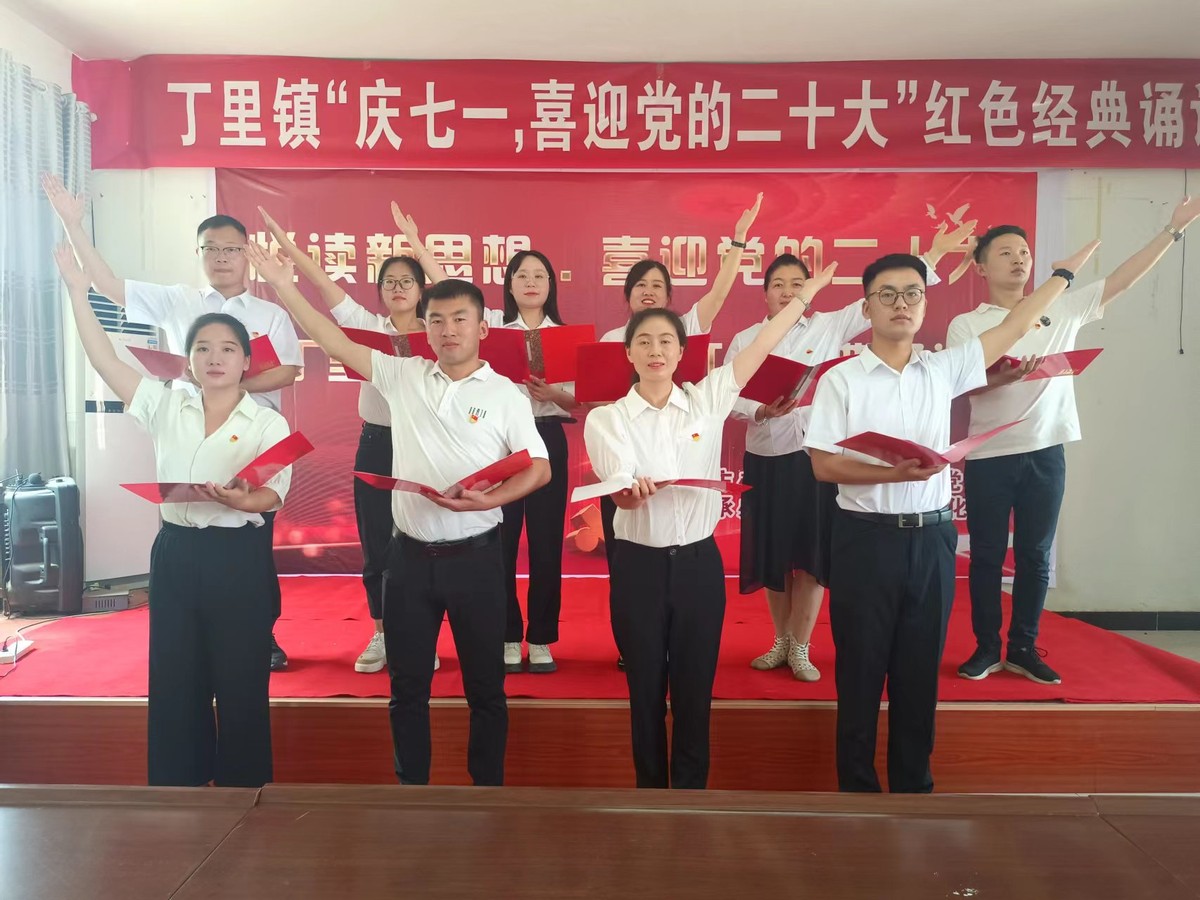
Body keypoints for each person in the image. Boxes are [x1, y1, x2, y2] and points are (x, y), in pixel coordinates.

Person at [248, 239, 550, 787]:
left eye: (460, 319)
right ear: (424, 330)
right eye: (437, 321)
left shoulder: (505, 394)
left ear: (483, 328)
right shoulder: (402, 374)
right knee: (407, 689)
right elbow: (334, 339)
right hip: (409, 562)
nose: (448, 330)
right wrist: (284, 287)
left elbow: (540, 469)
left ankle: (488, 793)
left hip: (477, 561)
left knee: (486, 690)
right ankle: (412, 793)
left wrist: (492, 500)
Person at [804, 242, 1099, 793]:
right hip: (864, 541)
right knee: (860, 673)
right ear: (866, 308)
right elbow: (824, 465)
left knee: (919, 676)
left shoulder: (943, 369)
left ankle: (913, 790)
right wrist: (894, 474)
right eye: (887, 295)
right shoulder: (842, 379)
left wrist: (1062, 275)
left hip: (932, 538)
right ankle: (857, 794)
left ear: (923, 305)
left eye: (912, 294)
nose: (901, 303)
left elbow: (1016, 325)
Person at [583, 260, 837, 789]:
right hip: (638, 568)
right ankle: (650, 795)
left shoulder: (708, 400)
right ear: (628, 353)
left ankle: (689, 799)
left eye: (666, 341)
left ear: (682, 352)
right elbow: (622, 497)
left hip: (698, 568)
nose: (655, 350)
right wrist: (630, 494)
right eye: (644, 342)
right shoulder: (607, 419)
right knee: (645, 692)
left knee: (695, 692)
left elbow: (762, 345)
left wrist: (802, 299)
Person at [53, 244, 295, 788]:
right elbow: (105, 360)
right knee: (175, 675)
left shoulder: (267, 424)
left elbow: (271, 496)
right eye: (202, 348)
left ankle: (245, 790)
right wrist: (77, 293)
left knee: (241, 678)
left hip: (237, 557)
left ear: (247, 361)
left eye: (228, 349)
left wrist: (241, 500)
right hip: (178, 552)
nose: (214, 358)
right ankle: (177, 790)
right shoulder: (165, 403)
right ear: (188, 359)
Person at [43, 174, 303, 672]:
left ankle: (259, 633)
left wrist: (228, 384)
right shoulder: (179, 300)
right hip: (186, 429)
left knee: (253, 541)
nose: (221, 257)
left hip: (249, 437)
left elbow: (289, 370)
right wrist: (74, 226)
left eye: (231, 249)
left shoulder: (268, 313)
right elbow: (108, 287)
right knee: (183, 530)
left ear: (247, 254)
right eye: (211, 249)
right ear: (199, 253)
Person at [949, 197, 1199, 685]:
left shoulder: (1060, 309)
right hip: (990, 455)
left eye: (1024, 252)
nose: (1019, 259)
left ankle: (1023, 647)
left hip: (1046, 452)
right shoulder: (969, 324)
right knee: (986, 556)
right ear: (980, 267)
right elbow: (962, 385)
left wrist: (1173, 229)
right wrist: (1002, 378)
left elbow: (1122, 280)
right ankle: (986, 648)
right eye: (1005, 253)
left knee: (1036, 556)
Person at [726, 223, 972, 682]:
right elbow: (727, 394)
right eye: (777, 284)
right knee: (773, 557)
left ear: (808, 292)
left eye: (796, 284)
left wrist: (932, 257)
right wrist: (759, 410)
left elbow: (887, 300)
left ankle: (801, 646)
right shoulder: (746, 340)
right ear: (764, 294)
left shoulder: (829, 324)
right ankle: (780, 640)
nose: (787, 291)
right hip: (766, 456)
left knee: (811, 557)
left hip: (815, 458)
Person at [387, 206, 578, 674]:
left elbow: (582, 399)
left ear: (551, 285)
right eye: (521, 275)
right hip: (491, 445)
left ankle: (542, 637)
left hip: (546, 437)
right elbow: (447, 291)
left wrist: (554, 395)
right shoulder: (488, 327)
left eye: (539, 275)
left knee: (547, 544)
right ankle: (508, 634)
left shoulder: (569, 336)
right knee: (501, 539)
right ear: (508, 286)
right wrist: (418, 246)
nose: (531, 282)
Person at [259, 209, 436, 675]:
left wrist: (418, 245)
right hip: (377, 442)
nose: (398, 288)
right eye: (389, 282)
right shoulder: (367, 327)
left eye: (407, 281)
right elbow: (323, 286)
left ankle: (420, 635)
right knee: (377, 544)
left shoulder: (441, 335)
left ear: (421, 290)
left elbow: (460, 297)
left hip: (424, 447)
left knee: (421, 542)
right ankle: (382, 633)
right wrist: (287, 252)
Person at [598, 193, 763, 668]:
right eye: (640, 285)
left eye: (657, 285)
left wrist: (737, 242)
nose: (648, 291)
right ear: (627, 296)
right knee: (624, 551)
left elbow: (718, 295)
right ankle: (634, 647)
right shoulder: (610, 341)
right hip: (623, 453)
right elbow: (592, 402)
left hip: (678, 449)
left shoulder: (683, 328)